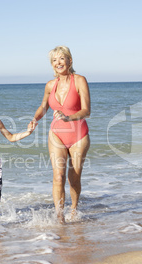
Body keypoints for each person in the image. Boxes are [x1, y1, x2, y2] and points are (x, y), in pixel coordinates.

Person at [29, 46, 91, 223]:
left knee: (74, 177)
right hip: (56, 134)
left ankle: (74, 209)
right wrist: (35, 119)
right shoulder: (50, 85)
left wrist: (68, 117)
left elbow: (87, 110)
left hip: (78, 134)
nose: (58, 63)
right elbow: (43, 107)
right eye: (55, 60)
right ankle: (59, 217)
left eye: (62, 59)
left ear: (70, 61)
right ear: (52, 65)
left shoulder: (79, 80)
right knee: (58, 176)